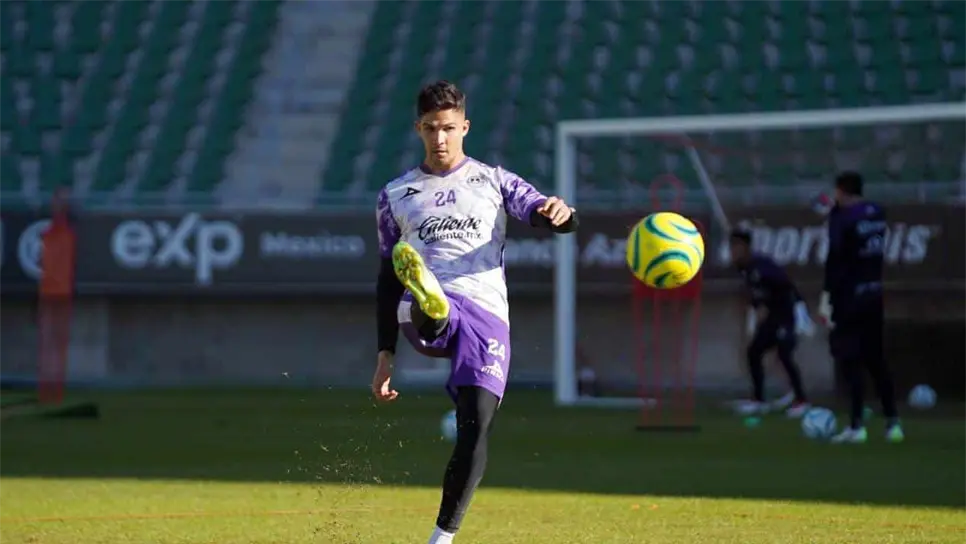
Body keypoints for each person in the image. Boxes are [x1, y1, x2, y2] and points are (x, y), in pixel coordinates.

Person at [371, 80, 578, 544]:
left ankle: (442, 537)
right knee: (428, 306)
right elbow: (386, 280)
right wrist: (385, 354)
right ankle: (433, 303)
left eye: (447, 128)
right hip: (423, 308)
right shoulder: (395, 195)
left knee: (476, 421)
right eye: (429, 129)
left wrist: (559, 213)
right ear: (417, 129)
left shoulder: (493, 181)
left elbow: (545, 215)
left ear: (464, 126)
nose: (439, 139)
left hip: (486, 311)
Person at [819, 171, 903, 444]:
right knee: (877, 360)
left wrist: (827, 296)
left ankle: (857, 426)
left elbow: (835, 256)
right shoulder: (876, 212)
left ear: (841, 191)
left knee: (849, 359)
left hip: (849, 297)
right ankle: (893, 423)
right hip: (874, 295)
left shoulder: (842, 219)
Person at [730, 228, 812, 418]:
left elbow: (786, 287)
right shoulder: (744, 269)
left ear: (746, 247)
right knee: (754, 352)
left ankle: (802, 400)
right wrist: (757, 308)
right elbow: (755, 293)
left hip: (785, 315)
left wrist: (799, 313)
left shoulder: (764, 266)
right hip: (770, 318)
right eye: (732, 247)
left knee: (784, 354)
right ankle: (758, 400)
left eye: (737, 247)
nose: (734, 252)